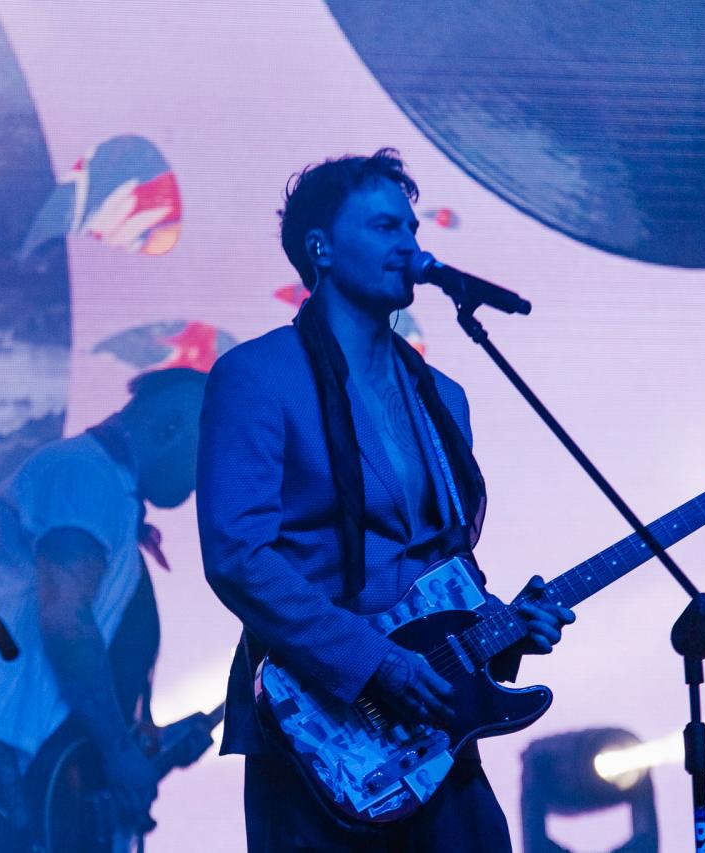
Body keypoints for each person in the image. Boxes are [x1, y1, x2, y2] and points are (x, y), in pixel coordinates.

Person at [197, 149, 575, 851]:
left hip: (433, 736)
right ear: (321, 248)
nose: (409, 244)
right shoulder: (257, 377)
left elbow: (439, 567)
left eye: (411, 227)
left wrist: (504, 628)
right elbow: (237, 557)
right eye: (383, 227)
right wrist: (375, 661)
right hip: (319, 730)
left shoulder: (443, 399)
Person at [0, 368, 214, 852]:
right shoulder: (83, 474)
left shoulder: (107, 491)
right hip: (7, 765)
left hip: (38, 764)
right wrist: (119, 752)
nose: (208, 478)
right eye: (207, 455)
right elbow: (67, 624)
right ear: (170, 428)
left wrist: (151, 745)